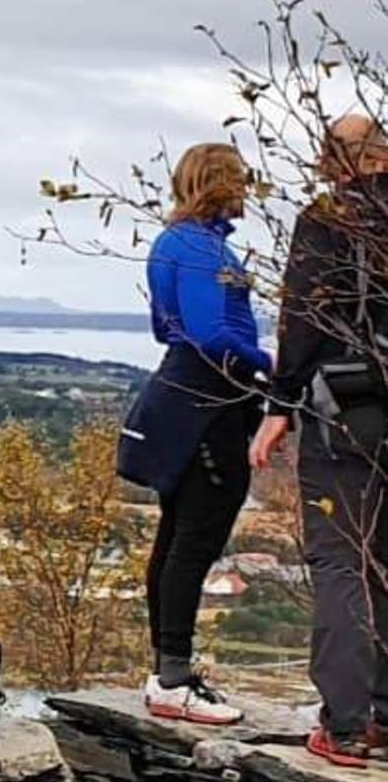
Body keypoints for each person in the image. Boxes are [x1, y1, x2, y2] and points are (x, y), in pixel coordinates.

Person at [250, 114, 388, 768]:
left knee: (341, 562)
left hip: (348, 413)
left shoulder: (330, 219)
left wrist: (280, 405)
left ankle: (346, 726)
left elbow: (301, 319)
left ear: (334, 159)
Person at [119, 142, 271, 726]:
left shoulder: (173, 243)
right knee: (196, 539)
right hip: (211, 397)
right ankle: (174, 678)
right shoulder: (205, 248)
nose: (247, 192)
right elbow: (210, 332)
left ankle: (167, 671)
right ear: (222, 183)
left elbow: (165, 326)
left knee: (176, 534)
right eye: (241, 181)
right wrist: (269, 362)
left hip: (181, 392)